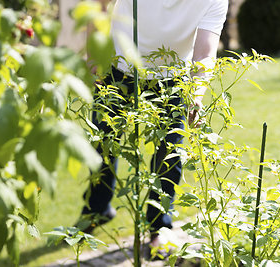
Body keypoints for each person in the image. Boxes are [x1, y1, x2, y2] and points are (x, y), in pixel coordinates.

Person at [79, 0, 228, 250]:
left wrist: (196, 94)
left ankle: (159, 227)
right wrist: (94, 53)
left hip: (173, 77)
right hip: (118, 67)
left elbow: (204, 54)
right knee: (102, 142)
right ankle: (97, 209)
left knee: (169, 154)